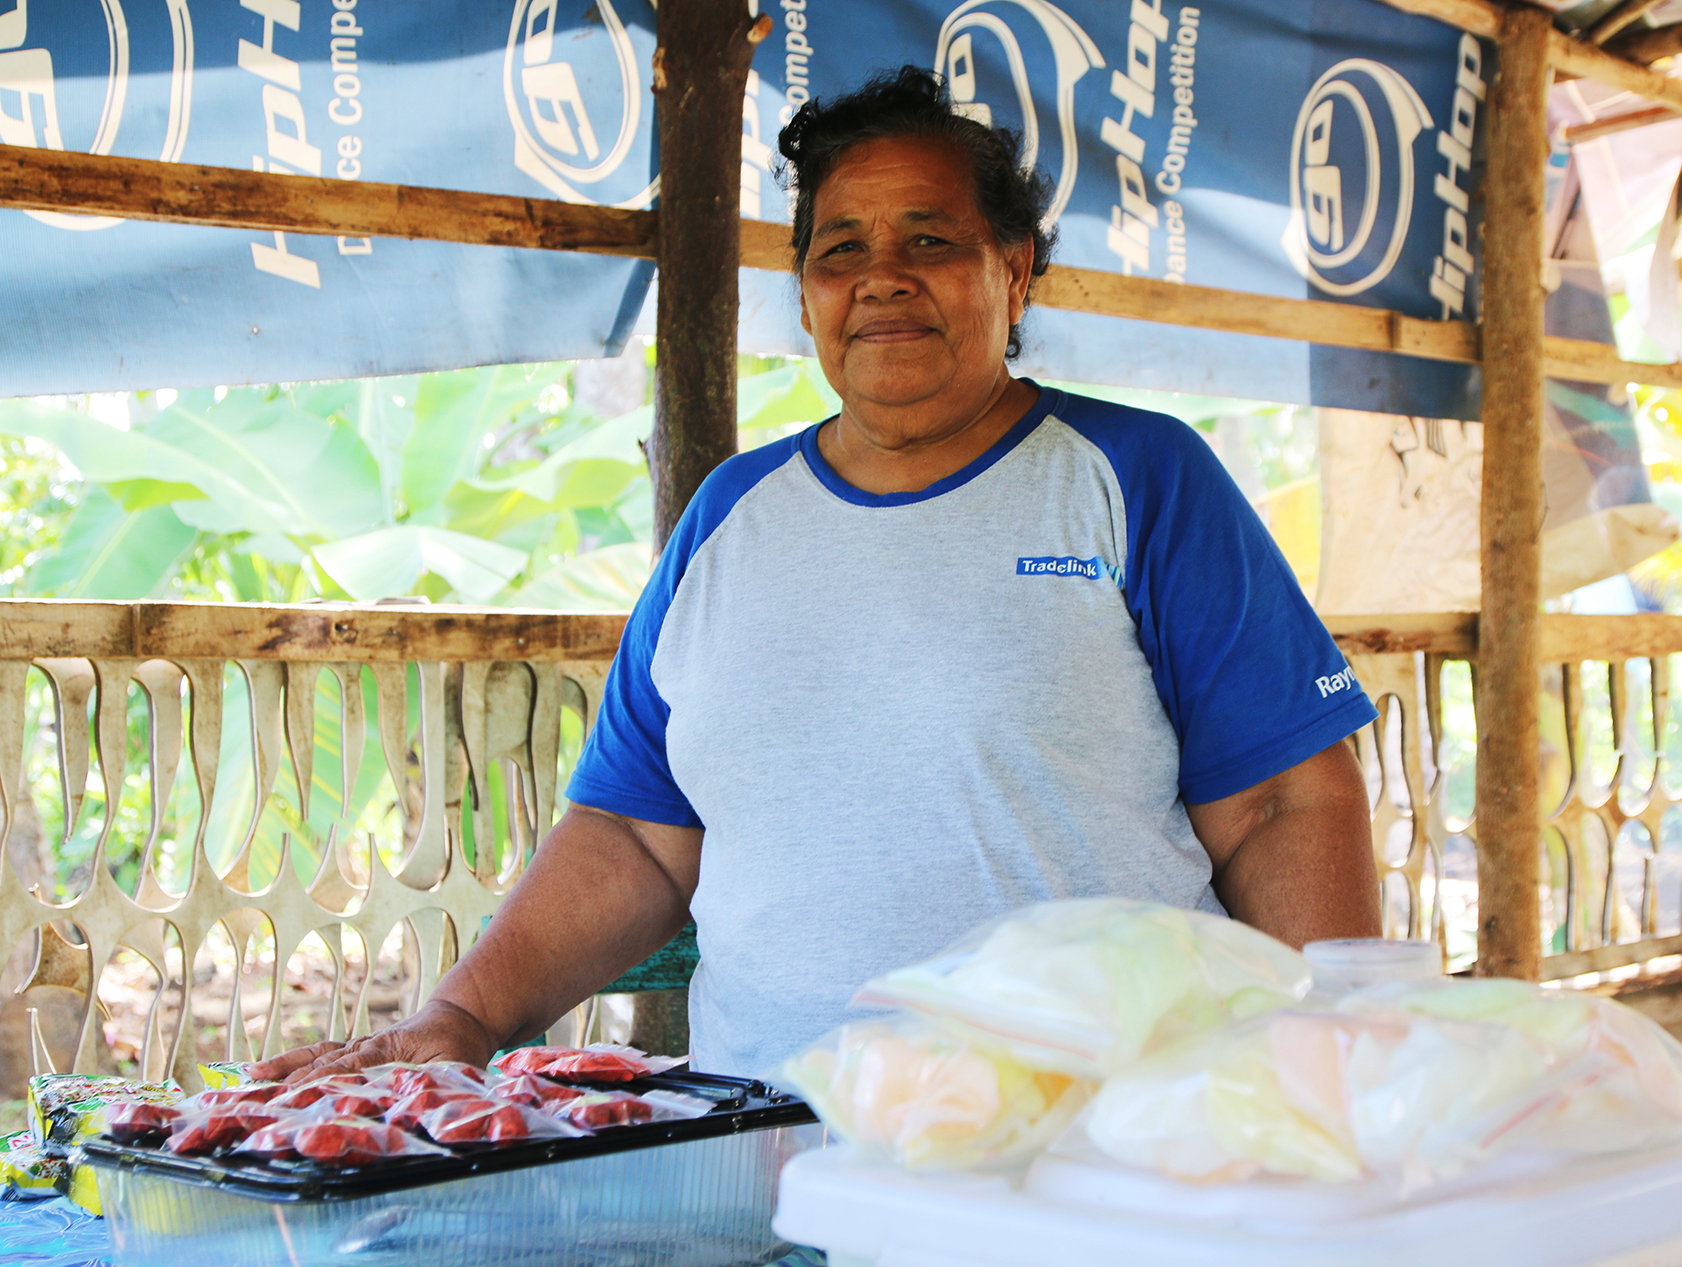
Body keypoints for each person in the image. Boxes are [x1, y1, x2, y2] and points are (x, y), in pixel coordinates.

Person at [256, 66, 1380, 1088]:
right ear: (804, 297)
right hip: (762, 1146)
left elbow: (1285, 802)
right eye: (840, 248)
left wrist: (1315, 1078)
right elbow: (639, 834)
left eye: (928, 240)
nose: (881, 278)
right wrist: (462, 1014)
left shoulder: (1136, 478)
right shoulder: (728, 517)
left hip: (1086, 1153)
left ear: (1016, 270)